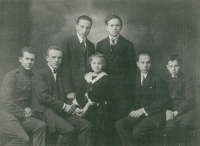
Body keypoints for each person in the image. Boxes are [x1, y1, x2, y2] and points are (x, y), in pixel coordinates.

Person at [31, 46, 92, 146]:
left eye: (59, 58)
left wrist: (74, 109)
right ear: (47, 58)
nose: (56, 60)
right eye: (53, 57)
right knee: (68, 130)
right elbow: (43, 97)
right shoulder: (40, 73)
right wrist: (64, 106)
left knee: (85, 125)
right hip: (44, 110)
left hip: (58, 109)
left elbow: (62, 96)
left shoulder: (60, 73)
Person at [116, 51, 168, 146]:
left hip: (154, 115)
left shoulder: (158, 80)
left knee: (137, 132)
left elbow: (162, 101)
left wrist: (142, 110)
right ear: (137, 64)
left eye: (148, 62)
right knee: (120, 124)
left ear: (151, 64)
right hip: (139, 115)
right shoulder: (134, 79)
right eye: (142, 62)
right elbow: (131, 99)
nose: (145, 65)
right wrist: (132, 111)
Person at [0, 47, 46, 146]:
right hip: (6, 116)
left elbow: (35, 99)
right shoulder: (12, 75)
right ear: (20, 59)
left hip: (21, 117)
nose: (29, 62)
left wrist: (31, 110)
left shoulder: (34, 76)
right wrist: (22, 112)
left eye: (32, 59)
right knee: (24, 139)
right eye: (27, 59)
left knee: (41, 126)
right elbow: (5, 101)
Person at [96, 15, 136, 121]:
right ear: (106, 27)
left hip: (122, 89)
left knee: (120, 117)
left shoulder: (128, 45)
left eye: (117, 25)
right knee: (105, 118)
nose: (114, 28)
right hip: (104, 88)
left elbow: (132, 71)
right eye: (112, 25)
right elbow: (97, 67)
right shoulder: (100, 45)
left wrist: (128, 90)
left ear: (121, 27)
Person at [60, 15, 95, 108]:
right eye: (82, 27)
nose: (84, 30)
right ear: (76, 26)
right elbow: (64, 68)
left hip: (86, 88)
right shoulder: (67, 43)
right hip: (73, 89)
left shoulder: (91, 46)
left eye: (88, 28)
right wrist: (69, 90)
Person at [165, 55, 195, 146]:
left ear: (181, 65)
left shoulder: (187, 79)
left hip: (185, 111)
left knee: (183, 128)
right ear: (167, 67)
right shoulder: (165, 81)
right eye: (171, 66)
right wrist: (166, 110)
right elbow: (163, 99)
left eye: (176, 66)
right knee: (170, 129)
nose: (173, 69)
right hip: (171, 111)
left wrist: (176, 112)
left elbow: (190, 100)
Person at [81, 52, 110, 146]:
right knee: (89, 131)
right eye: (94, 63)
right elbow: (81, 92)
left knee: (99, 132)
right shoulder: (87, 76)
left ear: (103, 64)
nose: (96, 66)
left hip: (100, 110)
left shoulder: (105, 78)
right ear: (90, 64)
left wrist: (87, 105)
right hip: (89, 111)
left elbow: (97, 95)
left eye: (99, 63)